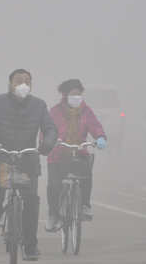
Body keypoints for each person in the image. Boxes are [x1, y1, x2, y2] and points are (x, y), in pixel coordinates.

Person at [0, 69, 58, 261]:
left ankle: (30, 246)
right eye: (19, 81)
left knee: (31, 201)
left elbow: (50, 128)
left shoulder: (39, 105)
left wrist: (47, 144)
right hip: (3, 155)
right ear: (10, 84)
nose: (23, 85)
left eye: (27, 81)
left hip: (27, 159)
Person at [45, 78, 106, 232]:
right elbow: (47, 130)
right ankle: (53, 215)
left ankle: (85, 205)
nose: (76, 97)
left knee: (86, 174)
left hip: (79, 152)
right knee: (54, 185)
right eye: (73, 94)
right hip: (58, 154)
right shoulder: (55, 111)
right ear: (65, 95)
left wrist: (100, 137)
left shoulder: (86, 111)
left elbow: (95, 125)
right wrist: (48, 142)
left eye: (79, 94)